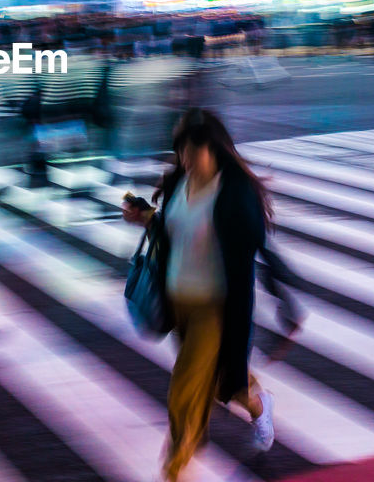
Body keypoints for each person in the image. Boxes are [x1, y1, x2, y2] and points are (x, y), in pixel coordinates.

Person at [122, 108, 277, 482]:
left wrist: (285, 302)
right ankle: (258, 403)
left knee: (186, 390)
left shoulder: (234, 193)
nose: (186, 161)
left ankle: (174, 470)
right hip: (178, 305)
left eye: (193, 153)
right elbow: (172, 232)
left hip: (214, 309)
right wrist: (146, 217)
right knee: (227, 384)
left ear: (214, 149)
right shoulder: (179, 184)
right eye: (181, 153)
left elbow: (255, 255)